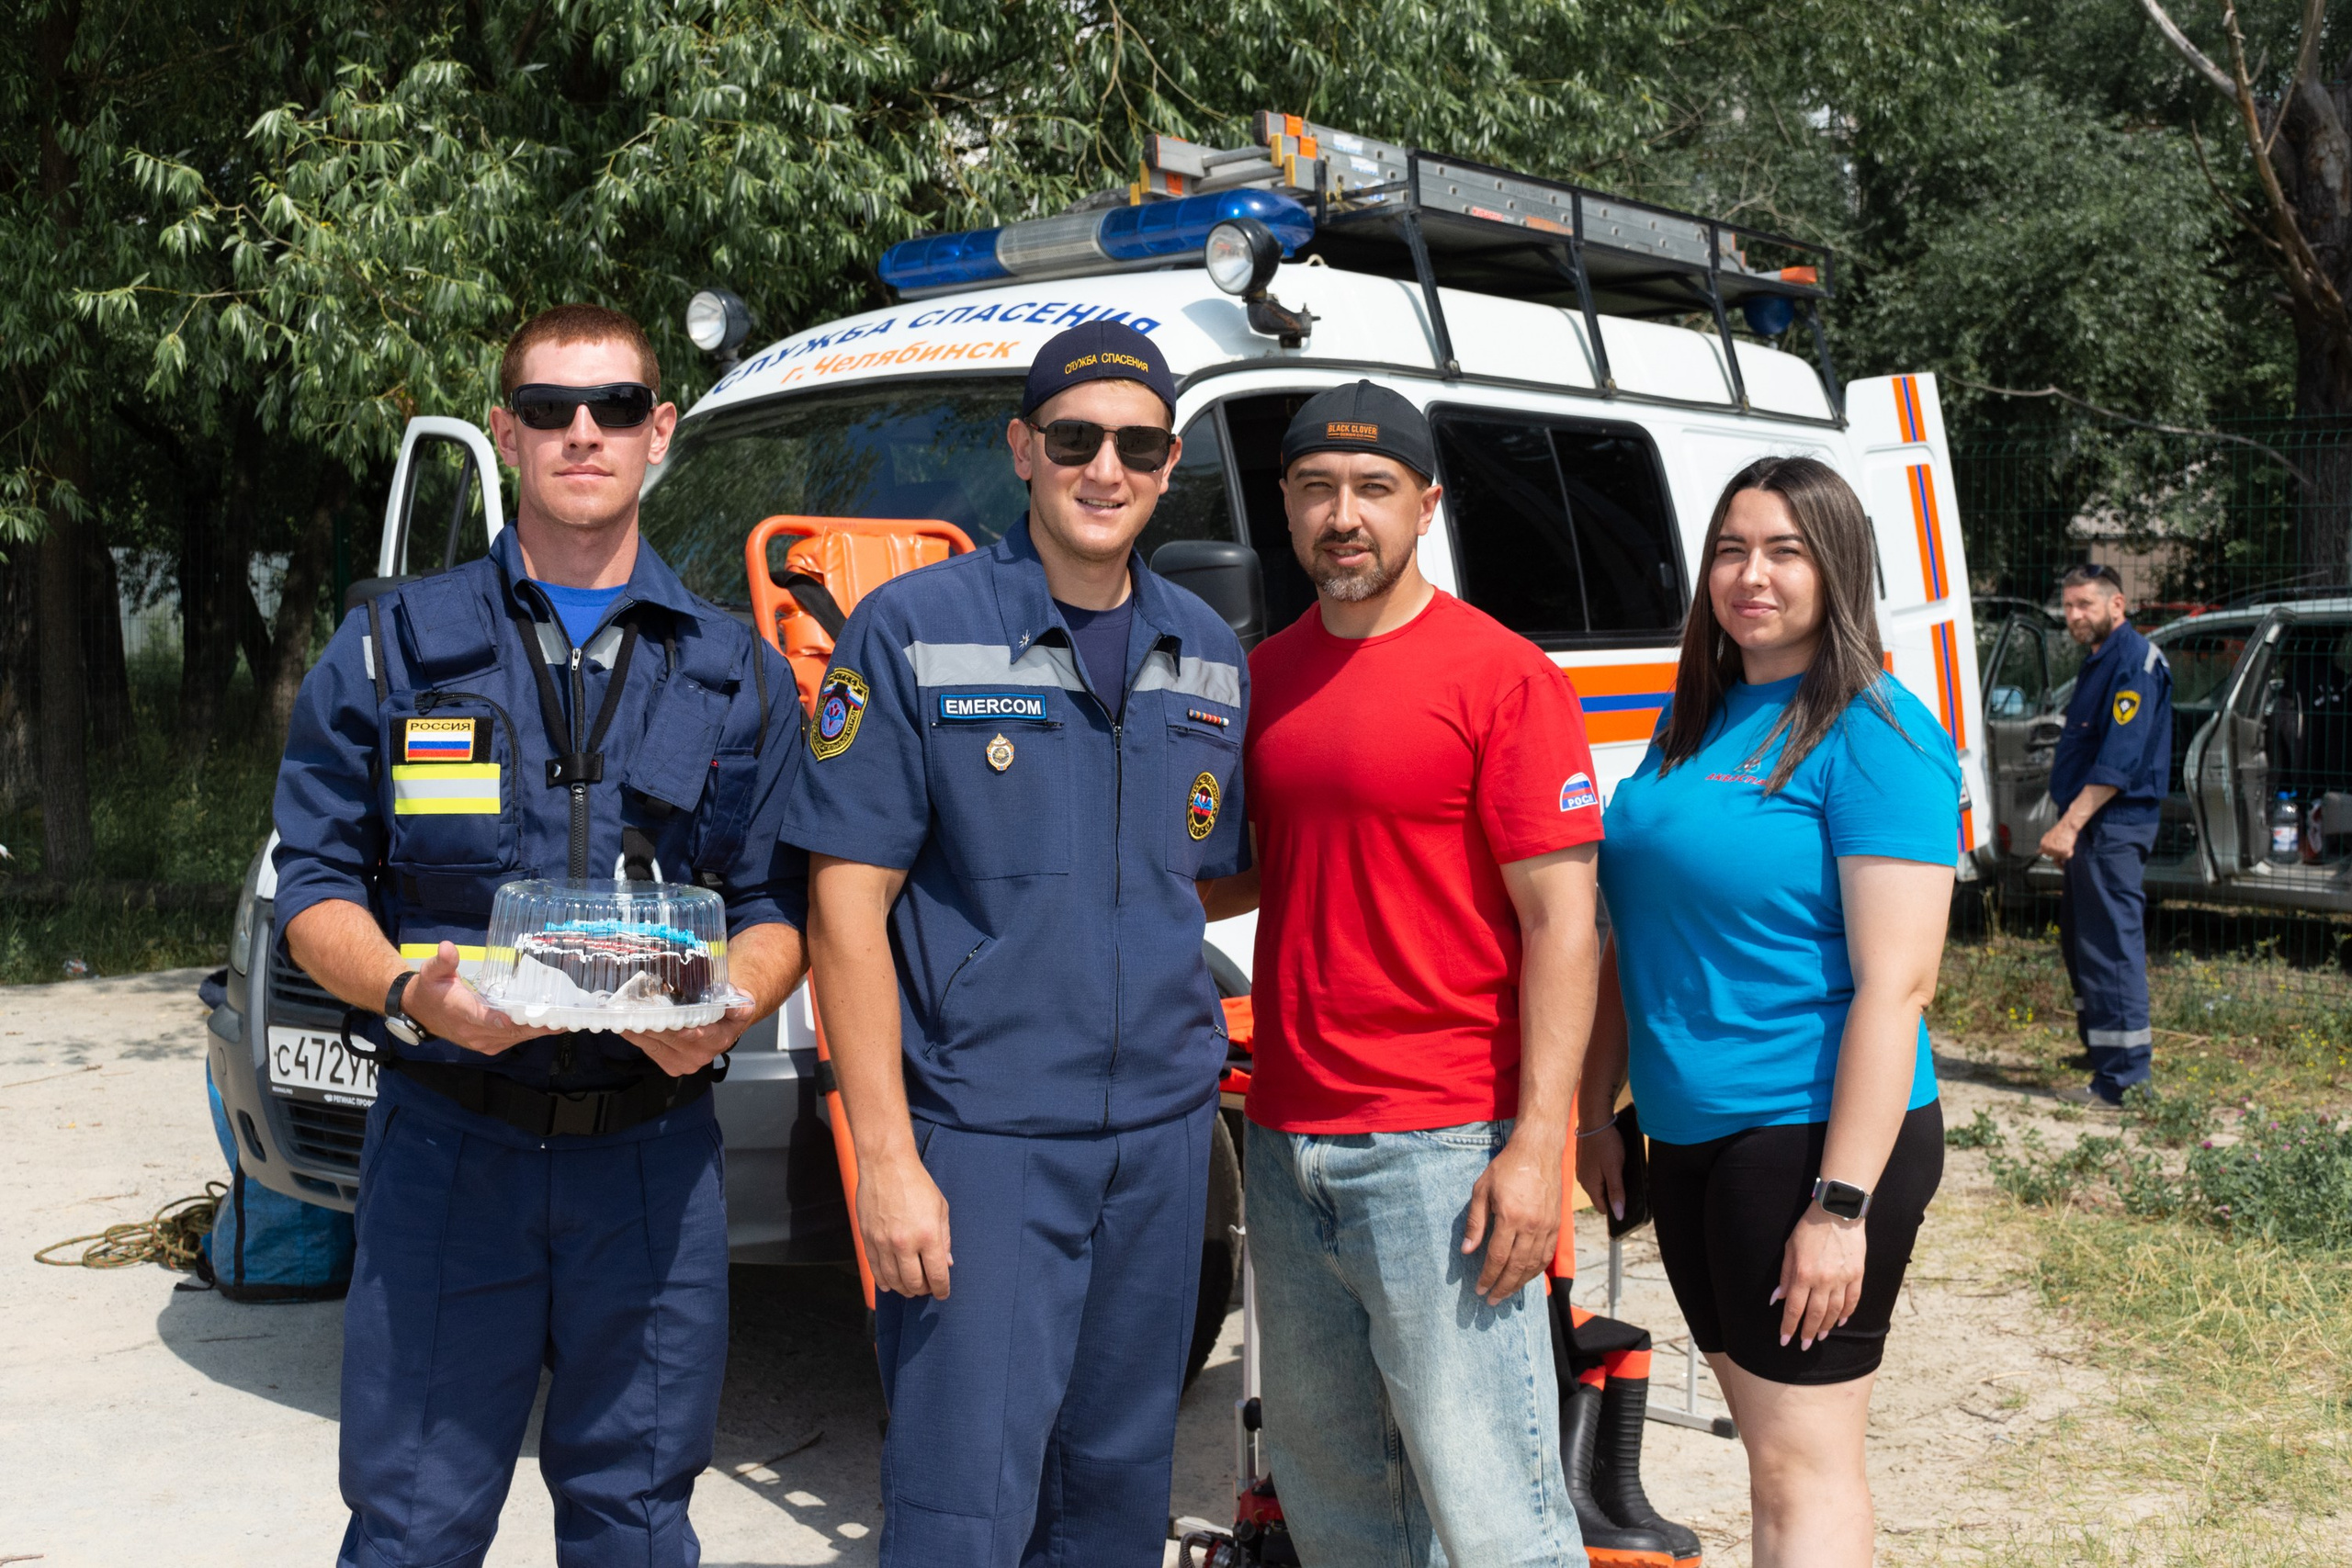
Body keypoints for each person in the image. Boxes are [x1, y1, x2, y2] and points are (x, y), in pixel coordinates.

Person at [272, 303, 809, 1568]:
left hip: (653, 1159)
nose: (586, 432)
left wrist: (727, 1003)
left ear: (659, 431)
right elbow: (313, 889)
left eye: (616, 407)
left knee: (635, 1522)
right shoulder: (390, 648)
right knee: (410, 1524)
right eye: (553, 409)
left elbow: (775, 903)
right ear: (506, 431)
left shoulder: (738, 669)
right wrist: (412, 989)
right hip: (452, 1153)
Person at [781, 320, 1250, 1568]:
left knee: (1115, 1489)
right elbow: (845, 912)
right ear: (1023, 449)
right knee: (962, 1505)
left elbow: (1194, 883)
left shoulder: (1207, 651)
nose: (1107, 467)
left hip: (1159, 1142)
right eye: (1076, 438)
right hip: (984, 1142)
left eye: (1138, 445)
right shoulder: (915, 629)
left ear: (1167, 464)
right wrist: (886, 1155)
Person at [1204, 382, 1601, 1565]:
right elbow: (1255, 869)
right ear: (1284, 504)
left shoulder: (1502, 676)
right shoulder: (1262, 679)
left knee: (1495, 1509)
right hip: (1285, 1137)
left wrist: (1539, 1148)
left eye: (1374, 489)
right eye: (1317, 489)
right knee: (1342, 1506)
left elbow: (1563, 924)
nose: (1343, 515)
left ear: (1424, 505)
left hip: (1443, 1146)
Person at [1577, 457, 1956, 1568]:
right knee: (1769, 1456)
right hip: (1690, 1135)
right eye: (1731, 550)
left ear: (1836, 569)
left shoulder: (1873, 731)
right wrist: (1601, 1114)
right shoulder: (1693, 721)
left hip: (1804, 1136)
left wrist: (1840, 1205)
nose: (1752, 576)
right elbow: (1625, 927)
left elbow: (1900, 984)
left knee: (1804, 1470)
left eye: (1785, 551)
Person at [2039, 561, 2173, 1107]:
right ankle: (2101, 1052)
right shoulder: (2100, 661)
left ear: (2116, 605)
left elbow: (2118, 762)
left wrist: (2069, 826)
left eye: (2084, 605)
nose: (2073, 616)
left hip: (2110, 827)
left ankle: (2123, 1081)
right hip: (2093, 828)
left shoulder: (2133, 664)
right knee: (2082, 943)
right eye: (2068, 606)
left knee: (2111, 949)